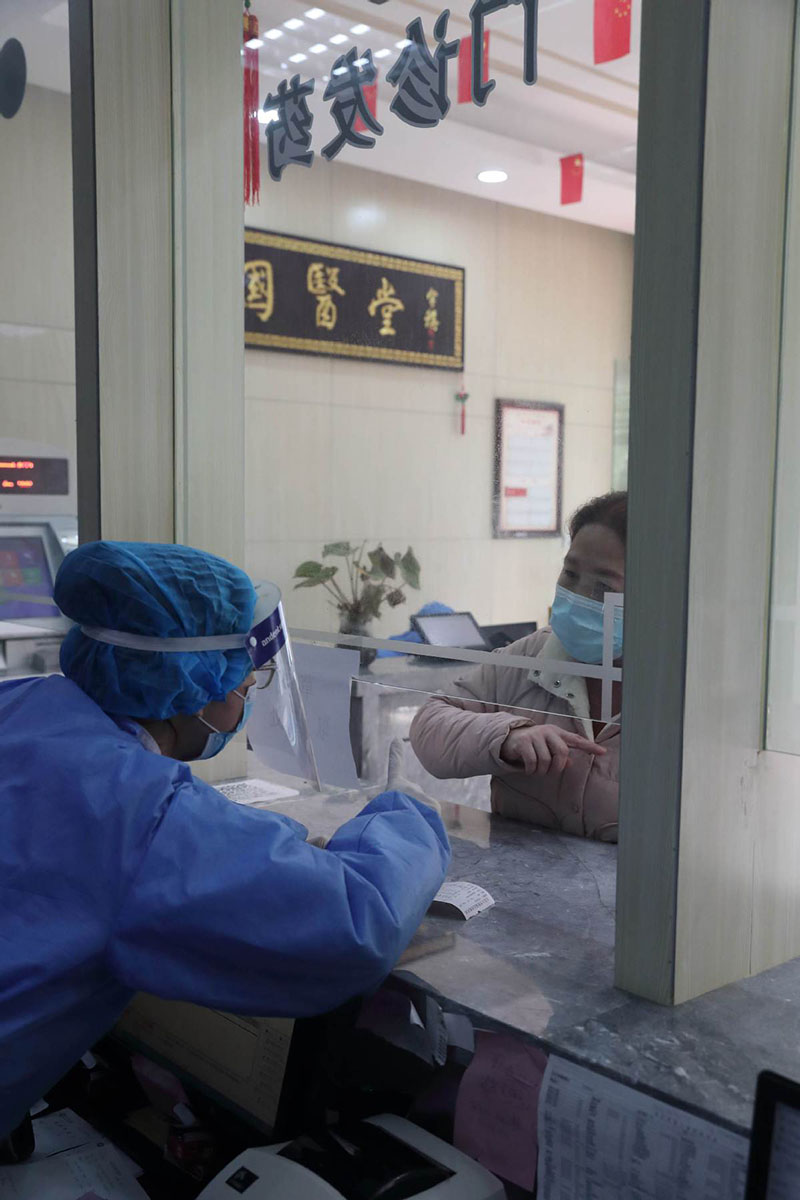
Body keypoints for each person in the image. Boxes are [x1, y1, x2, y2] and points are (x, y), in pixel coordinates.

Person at [0, 541, 450, 1137]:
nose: (245, 694)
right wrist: (410, 810)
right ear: (196, 681)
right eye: (246, 676)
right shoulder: (144, 817)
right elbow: (359, 920)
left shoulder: (19, 705)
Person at [410, 492, 626, 842]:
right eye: (570, 573)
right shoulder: (533, 655)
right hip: (523, 889)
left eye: (603, 586)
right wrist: (507, 736)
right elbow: (430, 724)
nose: (577, 597)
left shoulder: (686, 692)